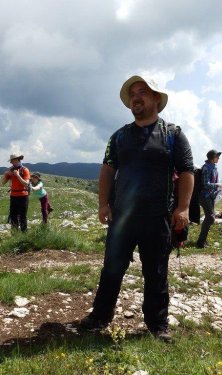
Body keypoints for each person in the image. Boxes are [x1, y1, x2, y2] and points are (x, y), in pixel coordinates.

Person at [80, 75, 194, 343]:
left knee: (156, 273)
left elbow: (187, 171)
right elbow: (108, 170)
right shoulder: (119, 136)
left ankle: (157, 325)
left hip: (158, 218)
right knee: (112, 268)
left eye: (142, 92)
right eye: (132, 94)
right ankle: (100, 315)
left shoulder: (173, 135)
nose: (136, 98)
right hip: (122, 217)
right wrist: (103, 204)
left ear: (157, 98)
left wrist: (184, 207)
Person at [196, 150, 222, 248]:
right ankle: (201, 242)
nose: (218, 158)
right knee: (210, 218)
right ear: (212, 157)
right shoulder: (207, 168)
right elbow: (205, 183)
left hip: (210, 196)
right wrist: (218, 185)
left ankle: (203, 241)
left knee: (209, 218)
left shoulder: (213, 167)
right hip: (205, 195)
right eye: (217, 156)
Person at [2, 153, 30, 233]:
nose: (11, 163)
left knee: (22, 216)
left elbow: (26, 183)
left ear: (17, 160)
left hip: (23, 196)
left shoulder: (25, 170)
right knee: (13, 216)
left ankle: (24, 234)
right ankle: (14, 234)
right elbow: (3, 182)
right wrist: (6, 174)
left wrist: (18, 175)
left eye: (12, 160)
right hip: (13, 196)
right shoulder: (10, 170)